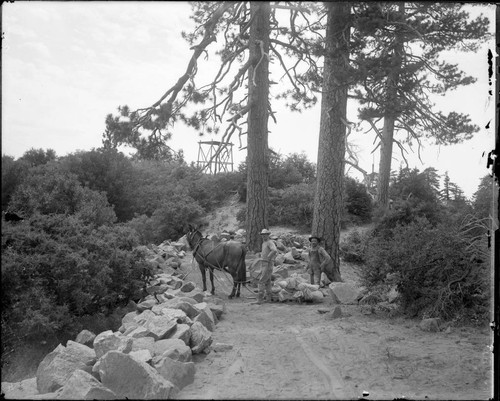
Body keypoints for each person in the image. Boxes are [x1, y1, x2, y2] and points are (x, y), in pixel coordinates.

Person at [252, 228, 278, 305]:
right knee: (268, 281)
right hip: (264, 263)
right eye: (262, 235)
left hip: (268, 263)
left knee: (261, 281)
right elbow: (266, 251)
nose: (264, 236)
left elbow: (274, 250)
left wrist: (268, 257)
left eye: (265, 235)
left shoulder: (270, 242)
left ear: (268, 235)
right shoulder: (264, 243)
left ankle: (260, 299)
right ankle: (268, 298)